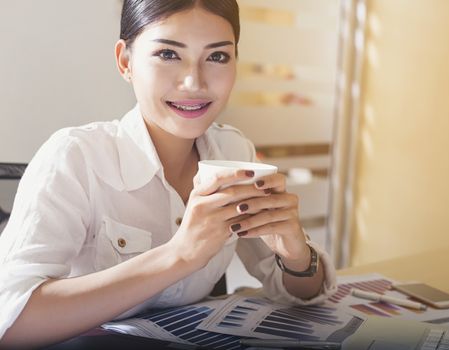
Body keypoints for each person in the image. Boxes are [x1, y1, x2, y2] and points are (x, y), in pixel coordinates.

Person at [0, 0, 337, 348]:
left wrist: (296, 253)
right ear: (125, 61)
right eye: (168, 54)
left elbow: (299, 294)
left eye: (217, 56)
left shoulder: (235, 154)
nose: (194, 81)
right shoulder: (76, 158)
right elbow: (9, 321)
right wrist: (180, 255)